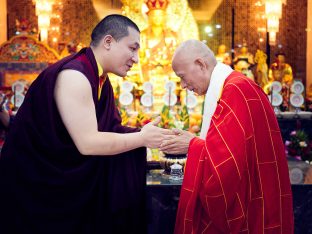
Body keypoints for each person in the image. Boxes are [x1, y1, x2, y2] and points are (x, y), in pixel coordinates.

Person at [0, 14, 173, 234]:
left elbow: (107, 129)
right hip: (36, 183)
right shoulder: (76, 75)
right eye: (132, 48)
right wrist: (142, 138)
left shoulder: (99, 78)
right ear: (108, 42)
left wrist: (144, 133)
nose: (136, 58)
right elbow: (88, 143)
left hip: (59, 180)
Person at [160, 40, 294, 233]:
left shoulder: (236, 91)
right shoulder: (233, 86)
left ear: (201, 64)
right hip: (258, 198)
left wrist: (192, 145)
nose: (182, 85)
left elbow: (227, 166)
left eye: (182, 77)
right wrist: (193, 142)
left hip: (253, 209)